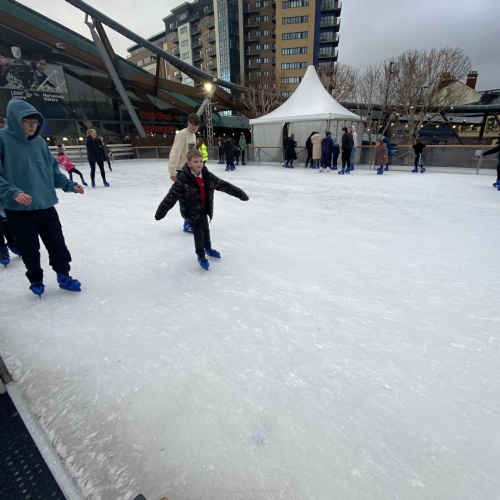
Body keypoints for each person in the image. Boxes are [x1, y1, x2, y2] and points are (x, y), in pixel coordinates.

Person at [0, 99, 84, 296]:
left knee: (57, 244)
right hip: (19, 209)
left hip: (45, 205)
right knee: (29, 248)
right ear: (15, 120)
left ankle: (63, 275)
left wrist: (69, 185)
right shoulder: (2, 140)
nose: (32, 125)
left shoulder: (39, 143)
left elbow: (52, 172)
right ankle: (36, 279)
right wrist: (13, 192)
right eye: (27, 121)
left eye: (35, 121)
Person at [155, 149, 249, 271]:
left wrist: (240, 194)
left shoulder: (207, 175)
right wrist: (161, 212)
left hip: (204, 210)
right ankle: (201, 255)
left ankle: (208, 248)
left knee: (206, 231)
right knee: (198, 234)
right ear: (189, 164)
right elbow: (170, 198)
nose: (199, 164)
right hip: (191, 213)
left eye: (201, 161)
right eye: (195, 162)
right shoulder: (183, 180)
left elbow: (223, 185)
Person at [168, 113, 201, 232]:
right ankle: (188, 223)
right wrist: (172, 171)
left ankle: (190, 221)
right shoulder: (182, 134)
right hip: (180, 171)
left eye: (197, 126)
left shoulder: (193, 136)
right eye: (193, 125)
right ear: (188, 122)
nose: (195, 128)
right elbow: (175, 152)